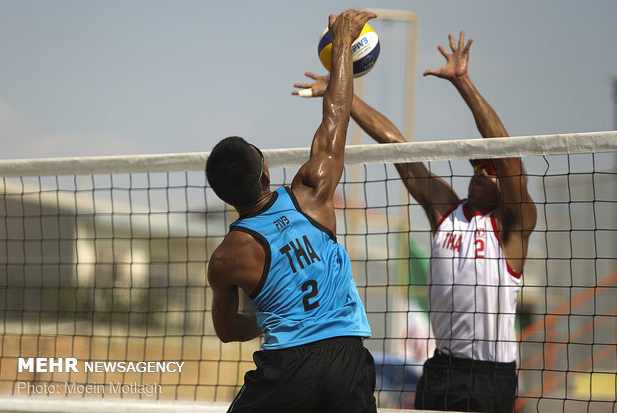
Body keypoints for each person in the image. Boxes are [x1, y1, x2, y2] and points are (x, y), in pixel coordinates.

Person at [292, 31, 537, 412]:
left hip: (490, 377)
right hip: (440, 369)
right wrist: (341, 93)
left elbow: (508, 159)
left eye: (488, 172)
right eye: (476, 170)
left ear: (503, 186)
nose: (478, 176)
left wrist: (463, 83)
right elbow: (397, 147)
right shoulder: (447, 212)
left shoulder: (512, 228)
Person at [205, 9, 378, 413]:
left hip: (286, 370)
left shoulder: (226, 258)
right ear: (265, 172)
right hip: (346, 358)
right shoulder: (312, 192)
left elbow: (228, 331)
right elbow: (335, 116)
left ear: (223, 195)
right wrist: (342, 47)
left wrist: (266, 322)